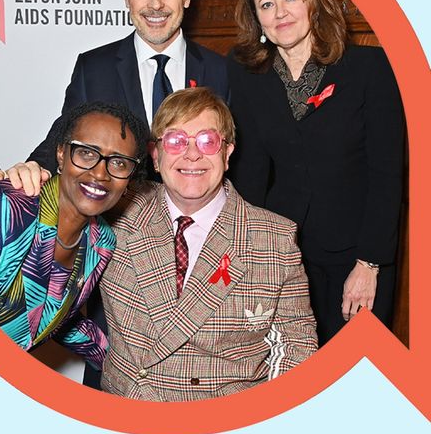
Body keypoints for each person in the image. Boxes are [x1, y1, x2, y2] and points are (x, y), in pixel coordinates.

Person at [227, 0, 405, 344]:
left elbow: (387, 174)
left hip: (358, 256)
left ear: (313, 2)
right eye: (266, 4)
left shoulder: (369, 68)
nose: (280, 13)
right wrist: (249, 257)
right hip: (285, 256)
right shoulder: (248, 77)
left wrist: (369, 263)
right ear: (257, 19)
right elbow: (250, 173)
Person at [100, 88, 317, 400]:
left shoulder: (275, 239)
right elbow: (67, 186)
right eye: (175, 140)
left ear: (227, 154)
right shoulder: (116, 209)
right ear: (156, 155)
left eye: (207, 141)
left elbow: (296, 352)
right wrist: (26, 180)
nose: (192, 154)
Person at [0, 0, 229, 195]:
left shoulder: (223, 70)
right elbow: (66, 136)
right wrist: (33, 167)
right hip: (120, 223)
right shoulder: (94, 68)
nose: (155, 3)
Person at [0, 102, 149, 370]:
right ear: (61, 153)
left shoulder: (101, 242)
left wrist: (137, 370)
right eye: (86, 154)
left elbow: (56, 315)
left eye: (119, 162)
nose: (100, 173)